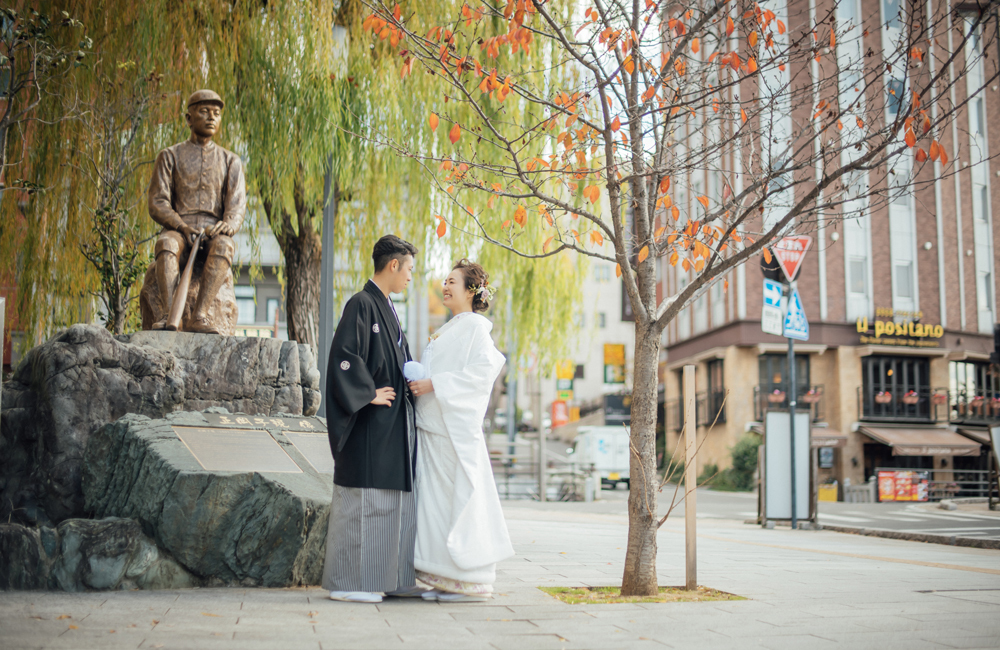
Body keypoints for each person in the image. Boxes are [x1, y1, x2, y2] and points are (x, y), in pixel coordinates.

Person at [322, 235, 424, 604]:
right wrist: (367, 394)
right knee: (364, 502)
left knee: (389, 503)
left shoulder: (386, 307)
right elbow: (344, 357)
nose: (411, 276)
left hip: (390, 426)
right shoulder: (362, 304)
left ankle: (387, 577)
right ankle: (351, 581)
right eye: (409, 268)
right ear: (393, 264)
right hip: (369, 424)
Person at [407, 259, 514, 603]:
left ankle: (470, 580)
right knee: (437, 506)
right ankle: (444, 578)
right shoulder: (454, 326)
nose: (445, 286)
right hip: (437, 429)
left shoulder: (475, 328)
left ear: (471, 290)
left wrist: (435, 382)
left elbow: (487, 368)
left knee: (455, 503)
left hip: (452, 431)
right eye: (445, 280)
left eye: (452, 281)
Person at [147, 89, 246, 333]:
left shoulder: (230, 160)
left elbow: (236, 205)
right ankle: (170, 315)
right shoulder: (169, 156)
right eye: (204, 112)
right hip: (179, 228)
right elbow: (157, 202)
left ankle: (200, 315)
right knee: (166, 244)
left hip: (212, 231)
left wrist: (228, 226)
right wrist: (180, 226)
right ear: (189, 118)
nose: (211, 118)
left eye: (216, 113)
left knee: (225, 246)